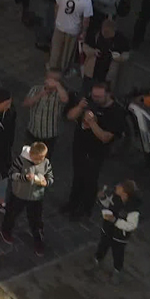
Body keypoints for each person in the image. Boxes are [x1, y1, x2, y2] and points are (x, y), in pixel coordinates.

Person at [61, 82, 125, 220]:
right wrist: (79, 107)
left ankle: (85, 209)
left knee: (90, 180)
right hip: (79, 146)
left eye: (99, 96)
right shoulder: (88, 101)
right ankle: (73, 202)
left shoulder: (116, 112)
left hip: (96, 152)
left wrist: (91, 123)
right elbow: (69, 116)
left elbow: (105, 137)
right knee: (77, 176)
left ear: (108, 94)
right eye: (93, 95)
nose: (95, 99)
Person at [1, 141, 54, 256]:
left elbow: (50, 176)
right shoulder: (21, 160)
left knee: (36, 220)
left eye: (40, 160)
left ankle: (38, 241)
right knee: (12, 213)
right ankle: (6, 230)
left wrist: (46, 182)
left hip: (36, 197)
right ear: (30, 154)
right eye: (35, 160)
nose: (37, 162)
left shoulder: (46, 163)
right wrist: (24, 177)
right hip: (19, 194)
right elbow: (11, 174)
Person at [92, 180, 141, 283]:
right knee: (102, 245)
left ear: (125, 192)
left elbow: (131, 225)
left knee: (118, 253)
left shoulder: (132, 209)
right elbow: (108, 204)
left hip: (119, 236)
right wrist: (102, 197)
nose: (117, 187)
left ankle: (117, 270)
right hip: (107, 229)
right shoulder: (115, 197)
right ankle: (97, 259)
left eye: (120, 187)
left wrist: (115, 221)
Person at [21, 69, 71, 165]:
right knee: (27, 157)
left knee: (43, 161)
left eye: (54, 80)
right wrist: (40, 95)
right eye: (49, 78)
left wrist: (57, 86)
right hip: (33, 131)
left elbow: (65, 100)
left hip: (49, 135)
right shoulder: (36, 89)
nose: (50, 81)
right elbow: (26, 103)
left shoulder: (60, 94)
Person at [49, 0, 94, 72]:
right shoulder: (86, 0)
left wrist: (57, 19)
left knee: (55, 50)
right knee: (66, 53)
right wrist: (84, 32)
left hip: (60, 25)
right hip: (73, 30)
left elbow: (57, 6)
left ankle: (52, 68)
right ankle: (63, 70)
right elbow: (86, 20)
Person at [81, 19, 130, 93]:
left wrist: (119, 58)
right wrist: (93, 51)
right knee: (86, 90)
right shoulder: (94, 34)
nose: (106, 34)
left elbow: (126, 54)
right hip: (92, 70)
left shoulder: (121, 39)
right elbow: (85, 47)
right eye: (105, 32)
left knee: (103, 93)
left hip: (108, 73)